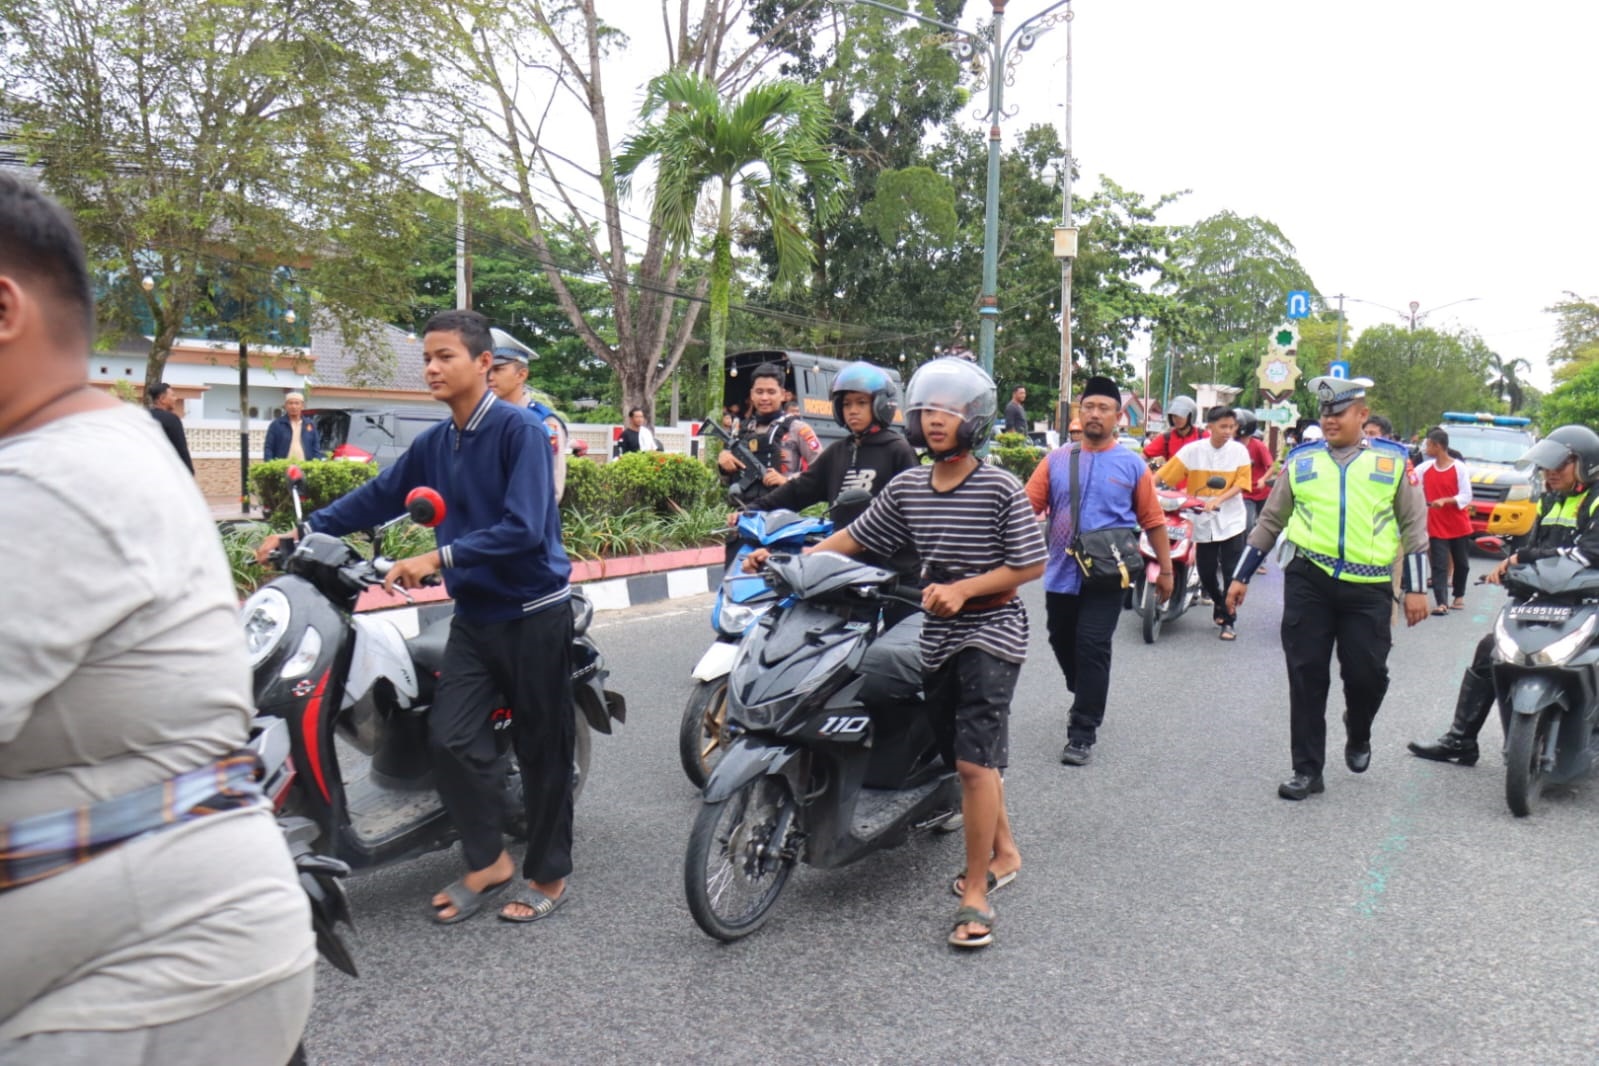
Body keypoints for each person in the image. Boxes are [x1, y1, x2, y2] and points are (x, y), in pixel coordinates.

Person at [0, 173, 314, 1062]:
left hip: (137, 983)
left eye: (293, 410)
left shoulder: (53, 481)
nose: (291, 416)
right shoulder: (105, 444)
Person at [256, 309, 575, 925]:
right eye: (427, 356)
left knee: (544, 747)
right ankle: (487, 860)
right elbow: (379, 495)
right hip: (477, 617)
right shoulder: (436, 443)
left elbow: (525, 528)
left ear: (483, 363)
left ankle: (548, 873)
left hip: (534, 612)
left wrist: (437, 556)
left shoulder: (520, 433)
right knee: (449, 738)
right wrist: (303, 530)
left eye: (445, 356)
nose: (431, 367)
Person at [800, 357, 1046, 950]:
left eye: (949, 411)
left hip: (992, 632)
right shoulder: (909, 487)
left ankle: (975, 895)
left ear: (976, 420)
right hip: (936, 635)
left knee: (971, 763)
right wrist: (801, 561)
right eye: (928, 409)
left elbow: (1029, 564)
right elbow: (857, 538)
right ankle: (1004, 851)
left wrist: (963, 588)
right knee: (970, 758)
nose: (935, 420)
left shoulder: (999, 487)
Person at [1225, 376, 1430, 800]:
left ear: (1362, 415)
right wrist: (1241, 576)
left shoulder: (1393, 462)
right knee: (1305, 676)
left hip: (1369, 587)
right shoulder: (1301, 460)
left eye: (1338, 413)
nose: (1330, 420)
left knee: (1367, 675)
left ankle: (1358, 731)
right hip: (1309, 580)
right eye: (1325, 413)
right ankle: (1307, 770)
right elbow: (1271, 520)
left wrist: (1417, 588)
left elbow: (1414, 527)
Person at [1408, 426, 1599, 765]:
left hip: (1589, 602)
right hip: (1547, 599)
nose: (1550, 474)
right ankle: (1461, 740)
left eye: (1559, 466)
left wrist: (1521, 559)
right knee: (1490, 649)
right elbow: (1533, 548)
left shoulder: (1595, 500)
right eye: (1547, 467)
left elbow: (1588, 554)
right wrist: (1510, 569)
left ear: (1586, 465)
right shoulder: (1550, 500)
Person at [1027, 376, 1173, 765]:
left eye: (1103, 408)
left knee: (1093, 645)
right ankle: (1085, 689)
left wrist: (1168, 571)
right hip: (1061, 570)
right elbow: (1026, 508)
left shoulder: (1131, 464)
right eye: (1088, 406)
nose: (1095, 414)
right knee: (1061, 639)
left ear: (1117, 416)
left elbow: (1153, 519)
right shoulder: (1056, 460)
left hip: (1111, 574)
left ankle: (1082, 731)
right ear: (1080, 412)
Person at [756, 361, 919, 527]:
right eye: (847, 404)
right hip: (838, 549)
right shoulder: (837, 452)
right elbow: (798, 490)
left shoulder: (897, 450)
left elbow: (915, 511)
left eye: (861, 402)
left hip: (886, 550)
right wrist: (753, 510)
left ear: (881, 404)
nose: (852, 410)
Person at [1155, 406, 1253, 641]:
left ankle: (1228, 622)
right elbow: (1164, 475)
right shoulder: (1193, 451)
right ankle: (1220, 603)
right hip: (1200, 519)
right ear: (1209, 427)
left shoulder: (1239, 451)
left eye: (1232, 426)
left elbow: (1241, 484)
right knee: (1207, 573)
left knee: (1230, 572)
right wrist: (1146, 489)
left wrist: (1218, 499)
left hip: (1231, 520)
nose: (1228, 431)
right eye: (1223, 426)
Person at [716, 363, 821, 558]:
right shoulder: (740, 430)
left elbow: (822, 471)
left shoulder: (798, 429)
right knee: (735, 582)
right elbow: (726, 481)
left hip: (781, 525)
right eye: (760, 392)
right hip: (742, 520)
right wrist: (723, 463)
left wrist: (787, 481)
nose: (765, 398)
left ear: (783, 394)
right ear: (752, 394)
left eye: (771, 392)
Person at [487, 328, 569, 504]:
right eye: (487, 370)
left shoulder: (544, 422)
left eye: (498, 369)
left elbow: (552, 488)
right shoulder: (483, 418)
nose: (490, 377)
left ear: (521, 375)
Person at [1416, 427, 1474, 615]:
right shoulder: (1424, 468)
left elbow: (1466, 496)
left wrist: (1446, 500)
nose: (1426, 448)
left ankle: (1459, 595)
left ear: (1437, 446)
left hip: (1457, 523)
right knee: (1439, 564)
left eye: (1429, 444)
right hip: (1435, 523)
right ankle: (1442, 602)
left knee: (1461, 563)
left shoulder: (1459, 468)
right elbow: (1410, 480)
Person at [1143, 395, 1207, 487]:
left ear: (1190, 416)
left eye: (1181, 416)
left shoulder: (1203, 436)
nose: (1177, 419)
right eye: (1174, 416)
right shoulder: (1166, 438)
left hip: (1199, 489)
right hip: (1173, 492)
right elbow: (1143, 456)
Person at [1235, 409, 1275, 541]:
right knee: (1247, 524)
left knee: (1266, 524)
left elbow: (1271, 466)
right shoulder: (1231, 446)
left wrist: (1263, 479)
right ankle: (1246, 548)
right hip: (1246, 493)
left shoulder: (1258, 446)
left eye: (1235, 425)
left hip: (1261, 492)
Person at [146, 380, 194, 473]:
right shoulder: (171, 420)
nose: (175, 398)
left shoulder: (143, 416)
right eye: (172, 395)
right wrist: (189, 472)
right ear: (162, 399)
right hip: (167, 472)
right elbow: (181, 450)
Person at [263, 390, 322, 463]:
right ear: (285, 406)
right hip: (283, 466)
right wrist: (270, 465)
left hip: (305, 466)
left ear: (302, 406)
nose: (293, 406)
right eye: (290, 403)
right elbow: (268, 448)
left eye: (297, 403)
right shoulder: (277, 424)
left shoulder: (309, 424)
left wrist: (316, 463)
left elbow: (316, 447)